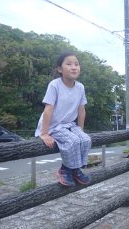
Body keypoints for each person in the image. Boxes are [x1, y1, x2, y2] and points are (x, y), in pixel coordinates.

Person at [35, 51, 92, 187]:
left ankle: (75, 169)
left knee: (85, 139)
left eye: (76, 64)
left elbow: (81, 109)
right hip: (53, 125)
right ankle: (65, 169)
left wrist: (80, 130)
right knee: (72, 141)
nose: (74, 67)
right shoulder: (55, 85)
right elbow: (48, 109)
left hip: (69, 125)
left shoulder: (80, 87)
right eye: (69, 64)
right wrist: (44, 133)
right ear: (60, 69)